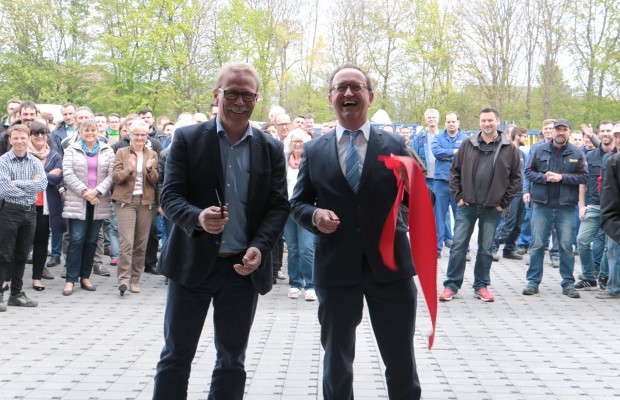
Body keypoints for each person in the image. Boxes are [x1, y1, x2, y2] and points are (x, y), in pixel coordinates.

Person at [152, 63, 289, 400]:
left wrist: (260, 246)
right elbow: (168, 197)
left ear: (256, 99)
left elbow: (278, 206)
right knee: (175, 357)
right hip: (191, 265)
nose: (239, 101)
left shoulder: (269, 148)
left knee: (232, 362)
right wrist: (198, 217)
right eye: (232, 93)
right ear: (216, 95)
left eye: (247, 95)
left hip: (242, 269)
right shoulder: (186, 139)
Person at [290, 64, 421, 400]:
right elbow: (298, 204)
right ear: (331, 97)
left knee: (401, 360)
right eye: (340, 87)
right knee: (336, 362)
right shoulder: (315, 150)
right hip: (336, 270)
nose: (348, 93)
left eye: (356, 87)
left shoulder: (395, 145)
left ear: (370, 96)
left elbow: (418, 202)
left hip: (390, 270)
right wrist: (315, 214)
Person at [439, 107, 521, 303]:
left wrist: (503, 203)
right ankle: (451, 285)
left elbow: (516, 179)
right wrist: (458, 197)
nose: (486, 124)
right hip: (466, 206)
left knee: (485, 249)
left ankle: (481, 285)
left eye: (490, 120)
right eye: (483, 120)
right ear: (479, 123)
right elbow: (454, 172)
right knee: (458, 246)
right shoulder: (468, 145)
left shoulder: (509, 149)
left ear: (497, 122)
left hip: (492, 208)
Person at [522, 119, 588, 298]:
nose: (560, 132)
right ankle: (533, 282)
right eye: (557, 129)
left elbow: (584, 176)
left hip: (565, 207)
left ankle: (568, 284)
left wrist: (562, 177)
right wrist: (544, 178)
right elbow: (528, 172)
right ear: (552, 131)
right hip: (542, 205)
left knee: (566, 247)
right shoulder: (538, 149)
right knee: (537, 245)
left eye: (564, 129)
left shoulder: (576, 152)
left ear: (568, 131)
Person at [61, 119, 115, 296]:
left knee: (92, 241)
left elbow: (112, 174)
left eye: (93, 130)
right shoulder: (71, 149)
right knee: (76, 240)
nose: (90, 133)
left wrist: (97, 191)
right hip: (79, 201)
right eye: (87, 130)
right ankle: (70, 279)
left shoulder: (107, 150)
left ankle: (85, 277)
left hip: (98, 202)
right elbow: (68, 173)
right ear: (81, 131)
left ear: (98, 131)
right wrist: (85, 192)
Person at [0, 124, 47, 311]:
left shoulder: (35, 161)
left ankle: (16, 294)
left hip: (30, 213)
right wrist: (29, 187)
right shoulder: (3, 162)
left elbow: (42, 184)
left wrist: (17, 183)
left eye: (23, 138)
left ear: (28, 139)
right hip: (9, 212)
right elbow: (4, 189)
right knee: (4, 254)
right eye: (16, 138)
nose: (19, 141)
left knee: (22, 254)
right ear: (10, 139)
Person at [111, 119, 159, 295]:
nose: (140, 137)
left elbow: (156, 179)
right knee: (126, 243)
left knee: (141, 244)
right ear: (129, 135)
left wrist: (148, 170)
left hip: (146, 203)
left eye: (143, 134)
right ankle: (123, 279)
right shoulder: (122, 153)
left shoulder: (152, 153)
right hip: (126, 202)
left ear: (147, 136)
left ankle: (135, 279)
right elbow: (116, 178)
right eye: (136, 134)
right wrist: (129, 169)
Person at [28, 121, 65, 290]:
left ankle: (37, 277)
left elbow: (58, 178)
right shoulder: (23, 155)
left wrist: (39, 176)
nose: (41, 137)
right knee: (19, 243)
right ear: (30, 136)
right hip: (25, 204)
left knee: (42, 242)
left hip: (45, 205)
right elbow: (22, 178)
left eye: (44, 133)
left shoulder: (54, 155)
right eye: (36, 134)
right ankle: (9, 278)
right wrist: (48, 174)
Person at [282, 128, 315, 301]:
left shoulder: (310, 161)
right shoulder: (285, 162)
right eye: (294, 141)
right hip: (288, 211)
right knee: (293, 249)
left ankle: (310, 284)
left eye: (300, 141)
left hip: (305, 210)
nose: (297, 144)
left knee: (307, 248)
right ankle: (295, 282)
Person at [431, 111, 467, 257]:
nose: (451, 124)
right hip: (440, 183)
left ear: (458, 122)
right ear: (445, 123)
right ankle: (436, 249)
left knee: (461, 218)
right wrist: (454, 152)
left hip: (459, 184)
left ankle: (463, 250)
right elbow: (436, 152)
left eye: (453, 121)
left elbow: (466, 156)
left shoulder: (465, 140)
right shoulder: (438, 137)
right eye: (448, 122)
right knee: (438, 217)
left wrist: (446, 156)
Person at [597, 124, 620, 299]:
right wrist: (609, 220)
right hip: (616, 216)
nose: (618, 139)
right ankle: (614, 287)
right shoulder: (612, 160)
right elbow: (608, 192)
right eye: (617, 136)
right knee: (612, 252)